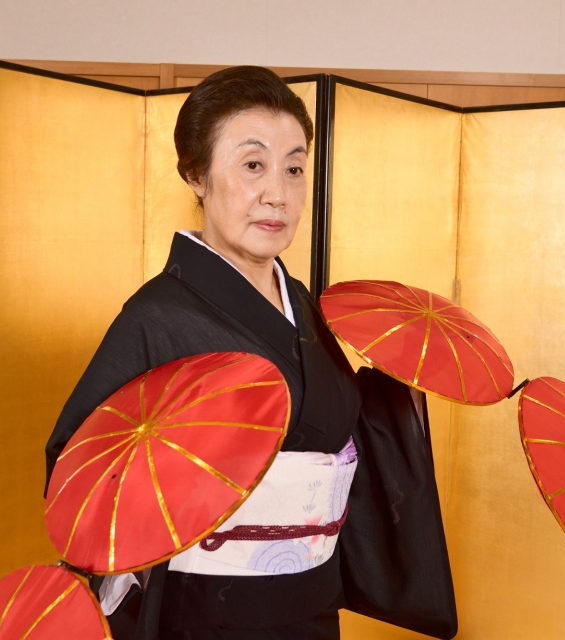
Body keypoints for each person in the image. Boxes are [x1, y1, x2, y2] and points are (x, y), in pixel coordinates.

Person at [45, 66, 456, 640]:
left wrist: (398, 385)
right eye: (253, 165)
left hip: (312, 599)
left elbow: (332, 423)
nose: (278, 194)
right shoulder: (157, 317)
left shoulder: (308, 308)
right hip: (208, 610)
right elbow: (81, 468)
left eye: (294, 169)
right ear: (196, 173)